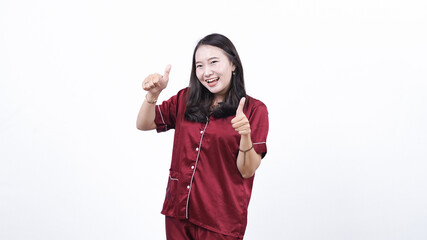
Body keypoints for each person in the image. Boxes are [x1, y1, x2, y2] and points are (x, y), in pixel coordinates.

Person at [136, 33, 269, 240]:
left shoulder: (255, 110)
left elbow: (247, 170)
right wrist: (152, 96)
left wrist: (245, 135)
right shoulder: (185, 99)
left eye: (214, 62)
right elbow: (144, 124)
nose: (207, 72)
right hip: (179, 212)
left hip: (220, 220)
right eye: (199, 65)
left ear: (233, 64)